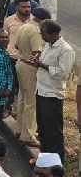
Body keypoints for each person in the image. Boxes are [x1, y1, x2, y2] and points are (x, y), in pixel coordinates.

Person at [27, 20, 75, 162]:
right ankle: (44, 159)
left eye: (43, 33)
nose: (41, 36)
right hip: (41, 91)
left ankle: (56, 164)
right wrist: (38, 60)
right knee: (42, 129)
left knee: (53, 132)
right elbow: (43, 61)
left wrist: (42, 65)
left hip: (52, 95)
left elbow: (63, 73)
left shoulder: (66, 50)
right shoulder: (48, 44)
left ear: (54, 34)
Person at [13, 6, 49, 147]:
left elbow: (16, 45)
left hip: (21, 62)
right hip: (30, 67)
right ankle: (27, 134)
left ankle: (19, 129)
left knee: (22, 98)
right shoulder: (36, 31)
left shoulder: (25, 26)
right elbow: (37, 53)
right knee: (31, 102)